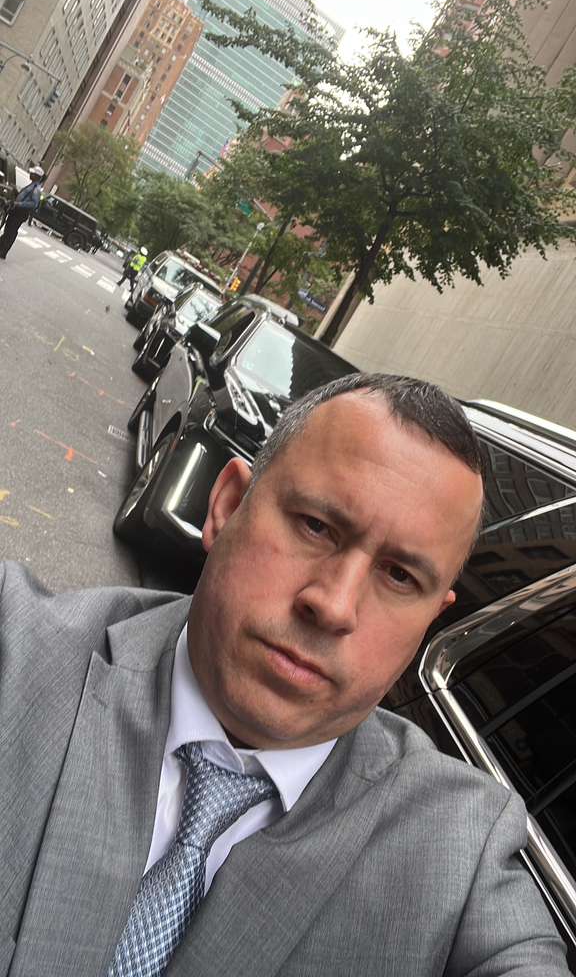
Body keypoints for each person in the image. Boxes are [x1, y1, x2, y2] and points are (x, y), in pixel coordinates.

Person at [0, 373, 571, 976]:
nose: (335, 605)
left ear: (431, 619)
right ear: (226, 506)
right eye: (315, 526)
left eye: (400, 576)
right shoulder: (23, 649)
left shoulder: (461, 854)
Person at [0, 164, 44, 259]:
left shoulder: (36, 189)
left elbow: (34, 204)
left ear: (37, 176)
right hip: (17, 211)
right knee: (9, 230)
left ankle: (2, 251)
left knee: (11, 232)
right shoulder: (32, 185)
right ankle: (2, 249)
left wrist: (18, 204)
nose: (30, 174)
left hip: (20, 213)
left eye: (32, 173)